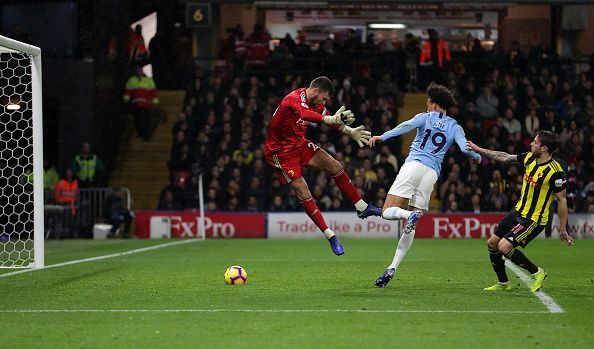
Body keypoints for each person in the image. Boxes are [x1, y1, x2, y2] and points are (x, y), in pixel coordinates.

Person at [368, 83, 482, 287]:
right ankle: (392, 267)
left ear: (435, 104)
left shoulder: (425, 117)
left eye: (429, 102)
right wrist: (477, 158)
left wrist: (382, 136)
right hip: (431, 174)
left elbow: (404, 127)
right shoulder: (455, 126)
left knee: (387, 211)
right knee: (411, 226)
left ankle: (406, 215)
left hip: (413, 165)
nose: (427, 105)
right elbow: (466, 149)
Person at [264, 76, 380, 256]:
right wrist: (331, 120)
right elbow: (306, 115)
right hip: (280, 153)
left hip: (299, 144)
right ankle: (331, 235)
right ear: (316, 91)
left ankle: (362, 207)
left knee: (334, 165)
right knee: (303, 190)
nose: (324, 102)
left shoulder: (317, 103)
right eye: (324, 98)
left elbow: (330, 119)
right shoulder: (293, 99)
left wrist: (350, 132)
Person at [467, 130, 573, 293]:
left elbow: (562, 200)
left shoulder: (556, 172)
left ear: (544, 148)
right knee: (492, 244)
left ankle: (538, 273)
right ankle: (503, 283)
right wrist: (478, 149)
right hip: (518, 212)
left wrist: (563, 228)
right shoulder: (529, 157)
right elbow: (504, 157)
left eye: (535, 142)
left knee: (504, 246)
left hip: (534, 219)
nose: (531, 144)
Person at [123, 65, 160, 140]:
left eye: (141, 69)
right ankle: (140, 133)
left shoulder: (148, 81)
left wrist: (155, 103)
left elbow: (153, 92)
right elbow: (128, 91)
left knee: (145, 119)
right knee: (137, 119)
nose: (139, 71)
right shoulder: (132, 80)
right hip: (135, 104)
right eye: (138, 69)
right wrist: (126, 100)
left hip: (146, 105)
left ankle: (145, 134)